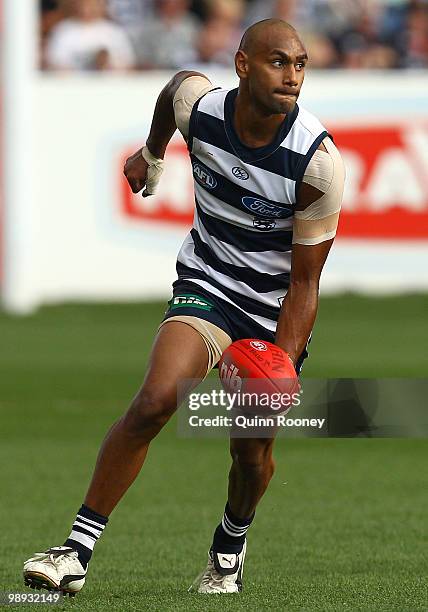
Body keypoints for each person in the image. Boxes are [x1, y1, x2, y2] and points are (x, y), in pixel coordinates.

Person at [23, 18, 345, 595]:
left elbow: (304, 284)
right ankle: (74, 551)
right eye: (278, 62)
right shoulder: (201, 108)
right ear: (243, 64)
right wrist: (151, 153)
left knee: (249, 456)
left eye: (300, 65)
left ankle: (229, 546)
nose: (292, 76)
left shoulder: (316, 162)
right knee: (153, 401)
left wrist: (281, 365)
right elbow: (173, 91)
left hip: (272, 309)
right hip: (207, 282)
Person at [45, 0, 136, 71]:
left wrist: (106, 66)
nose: (87, 8)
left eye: (93, 3)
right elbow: (53, 64)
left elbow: (128, 64)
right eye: (84, 3)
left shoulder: (115, 32)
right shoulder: (63, 30)